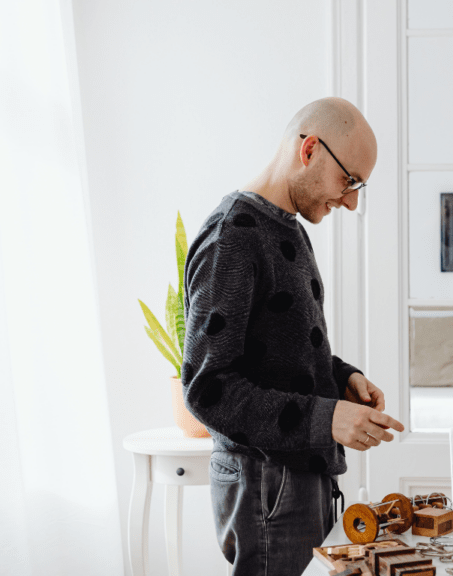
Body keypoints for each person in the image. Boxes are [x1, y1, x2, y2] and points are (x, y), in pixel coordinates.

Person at [182, 97, 405, 576]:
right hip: (266, 479)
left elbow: (284, 350)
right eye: (350, 181)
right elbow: (207, 388)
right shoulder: (232, 239)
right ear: (309, 150)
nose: (352, 201)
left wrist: (343, 378)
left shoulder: (286, 228)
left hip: (293, 479)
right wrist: (326, 418)